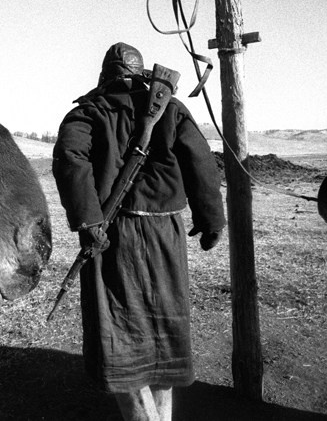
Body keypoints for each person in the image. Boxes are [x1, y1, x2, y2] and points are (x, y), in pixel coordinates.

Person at [52, 42, 226, 421]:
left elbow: (70, 159)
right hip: (164, 232)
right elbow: (201, 162)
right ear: (142, 72)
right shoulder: (172, 110)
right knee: (162, 329)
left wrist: (89, 222)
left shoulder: (87, 113)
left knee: (120, 333)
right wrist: (212, 219)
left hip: (109, 236)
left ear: (104, 76)